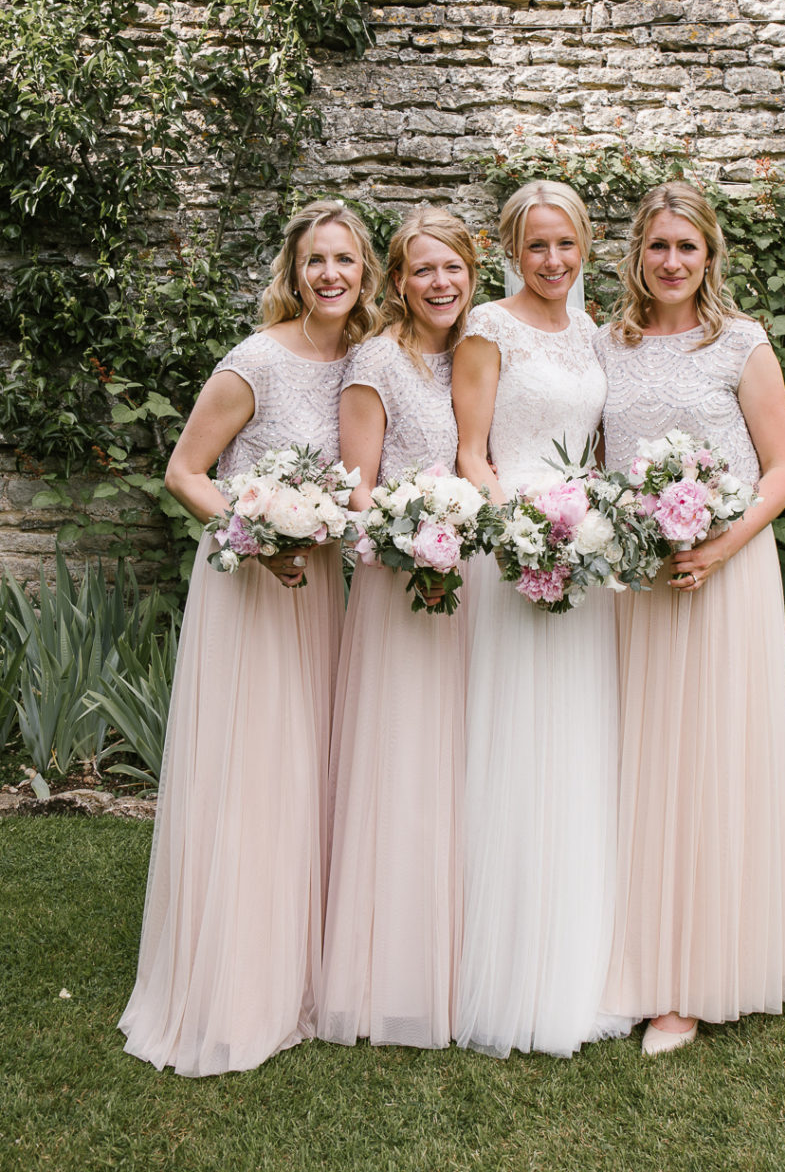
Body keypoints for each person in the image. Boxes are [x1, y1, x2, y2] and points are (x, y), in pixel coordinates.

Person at [119, 200, 381, 1077]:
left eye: (345, 260)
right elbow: (185, 473)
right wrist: (258, 533)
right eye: (316, 262)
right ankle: (234, 987)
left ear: (364, 270)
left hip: (318, 598)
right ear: (293, 272)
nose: (331, 275)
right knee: (253, 773)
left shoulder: (362, 363)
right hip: (253, 588)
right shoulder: (254, 363)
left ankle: (300, 968)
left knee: (308, 770)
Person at [597, 181, 785, 1056]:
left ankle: (693, 979)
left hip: (725, 575)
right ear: (637, 255)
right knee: (638, 765)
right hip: (638, 583)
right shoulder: (608, 345)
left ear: (709, 254)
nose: (673, 261)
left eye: (688, 246)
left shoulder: (742, 344)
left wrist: (720, 546)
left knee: (713, 763)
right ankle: (628, 958)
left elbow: (784, 467)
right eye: (658, 247)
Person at [451, 181, 629, 1058]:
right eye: (536, 248)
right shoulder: (490, 328)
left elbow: (597, 449)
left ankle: (582, 955)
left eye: (565, 245)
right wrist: (526, 529)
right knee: (516, 751)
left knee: (577, 750)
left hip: (581, 558)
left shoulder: (595, 332)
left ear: (584, 245)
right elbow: (471, 452)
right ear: (512, 252)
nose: (553, 262)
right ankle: (509, 965)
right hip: (513, 553)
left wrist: (583, 523)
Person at [317, 208, 477, 1049]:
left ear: (472, 271)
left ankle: (456, 957)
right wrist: (418, 539)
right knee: (402, 763)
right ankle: (387, 977)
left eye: (452, 267)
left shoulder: (466, 356)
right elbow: (356, 489)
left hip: (461, 586)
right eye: (422, 271)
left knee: (454, 768)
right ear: (398, 280)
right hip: (401, 582)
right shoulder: (375, 361)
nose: (439, 284)